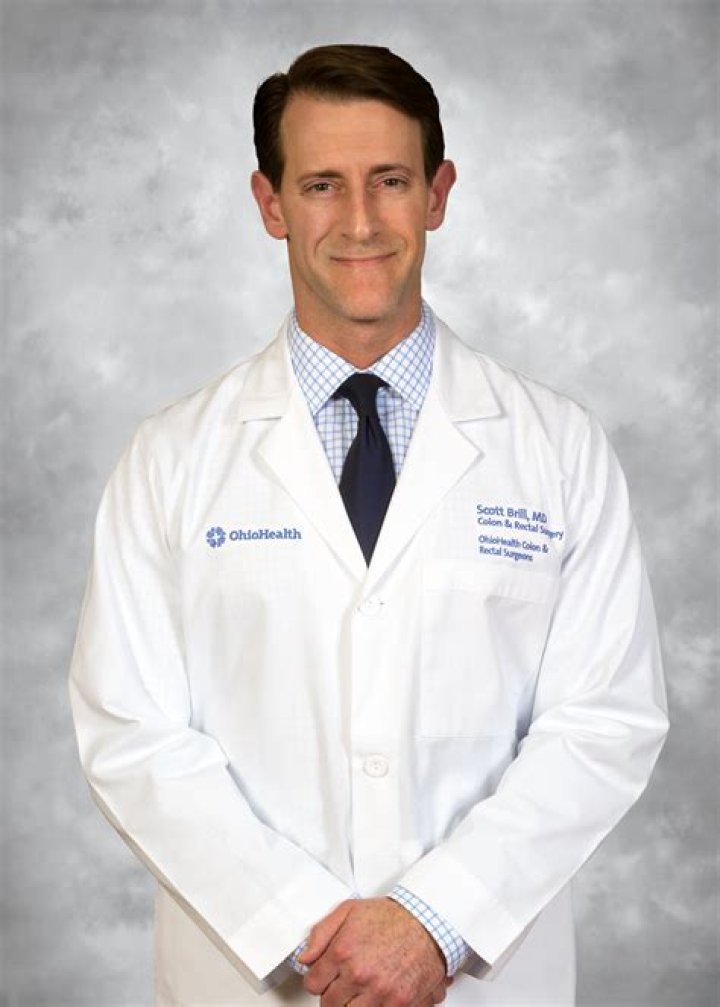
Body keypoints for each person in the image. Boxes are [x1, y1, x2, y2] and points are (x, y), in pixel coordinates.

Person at [68, 44, 669, 1007]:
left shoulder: (557, 448)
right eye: (321, 185)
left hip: (474, 980)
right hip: (257, 979)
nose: (359, 221)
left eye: (390, 180)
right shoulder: (171, 459)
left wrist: (432, 919)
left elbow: (602, 721)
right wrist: (313, 930)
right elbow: (131, 732)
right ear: (270, 204)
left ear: (438, 193)